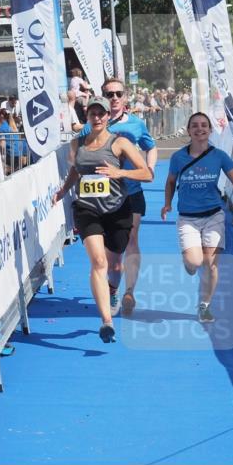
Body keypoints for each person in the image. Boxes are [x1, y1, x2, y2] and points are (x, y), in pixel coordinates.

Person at [52, 96, 151, 343]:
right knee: (98, 262)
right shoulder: (76, 145)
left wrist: (120, 172)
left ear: (108, 117)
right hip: (87, 209)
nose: (96, 118)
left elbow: (147, 174)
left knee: (115, 265)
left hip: (118, 209)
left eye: (101, 114)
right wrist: (64, 190)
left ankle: (114, 289)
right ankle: (106, 321)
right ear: (87, 116)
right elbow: (77, 170)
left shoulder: (120, 143)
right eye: (92, 114)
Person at [161, 112, 233, 323]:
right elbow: (170, 182)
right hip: (188, 217)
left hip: (213, 215)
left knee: (211, 264)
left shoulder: (219, 156)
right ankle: (189, 263)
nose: (200, 129)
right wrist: (167, 204)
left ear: (210, 130)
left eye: (204, 125)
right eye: (195, 125)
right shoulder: (178, 157)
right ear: (188, 130)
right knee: (195, 261)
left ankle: (204, 305)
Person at [78, 78, 157, 316]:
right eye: (108, 94)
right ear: (101, 96)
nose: (113, 98)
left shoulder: (135, 124)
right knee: (108, 256)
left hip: (131, 192)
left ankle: (129, 291)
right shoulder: (91, 124)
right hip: (98, 199)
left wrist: (149, 169)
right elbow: (76, 158)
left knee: (131, 240)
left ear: (125, 97)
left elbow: (150, 146)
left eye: (117, 94)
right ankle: (111, 287)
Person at [0, 108, 28, 175]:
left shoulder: (1, 128)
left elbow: (2, 145)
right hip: (20, 153)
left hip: (11, 155)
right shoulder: (13, 126)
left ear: (1, 115)